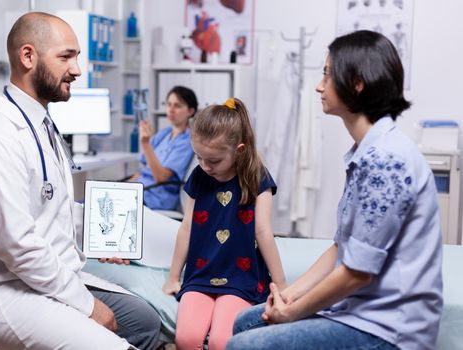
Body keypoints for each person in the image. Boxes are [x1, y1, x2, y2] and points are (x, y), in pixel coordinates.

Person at [0, 12, 160, 350]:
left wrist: (106, 239)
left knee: (144, 322)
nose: (77, 69)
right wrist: (88, 306)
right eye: (66, 57)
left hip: (42, 277)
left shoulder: (41, 124)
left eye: (76, 57)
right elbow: (16, 246)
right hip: (0, 289)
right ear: (28, 56)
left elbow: (53, 206)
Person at [227, 30, 443, 350]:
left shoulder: (386, 160)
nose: (319, 85)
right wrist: (288, 295)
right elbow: (340, 248)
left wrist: (294, 312)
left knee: (242, 345)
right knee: (245, 321)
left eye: (328, 74)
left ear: (356, 83)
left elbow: (357, 274)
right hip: (357, 310)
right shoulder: (365, 152)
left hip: (389, 328)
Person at [162, 98, 286, 350]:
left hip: (241, 277)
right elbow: (187, 227)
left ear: (238, 150)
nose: (206, 167)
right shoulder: (200, 176)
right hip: (201, 273)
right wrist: (174, 277)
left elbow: (263, 231)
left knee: (221, 342)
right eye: (199, 158)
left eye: (214, 161)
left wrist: (281, 285)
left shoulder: (257, 177)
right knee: (185, 339)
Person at [130, 86, 198, 210]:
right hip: (139, 191)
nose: (171, 110)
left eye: (177, 106)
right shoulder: (164, 133)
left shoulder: (188, 141)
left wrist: (145, 144)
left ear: (190, 111)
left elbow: (160, 177)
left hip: (156, 197)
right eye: (169, 104)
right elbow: (144, 168)